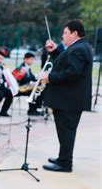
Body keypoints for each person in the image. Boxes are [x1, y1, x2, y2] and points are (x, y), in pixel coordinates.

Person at [40, 20, 93, 172]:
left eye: (65, 33)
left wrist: (50, 78)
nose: (63, 36)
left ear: (74, 33)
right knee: (65, 131)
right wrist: (54, 51)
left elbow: (72, 73)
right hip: (70, 100)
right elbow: (66, 61)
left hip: (69, 100)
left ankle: (65, 163)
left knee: (66, 131)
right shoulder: (79, 47)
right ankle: (63, 158)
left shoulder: (79, 49)